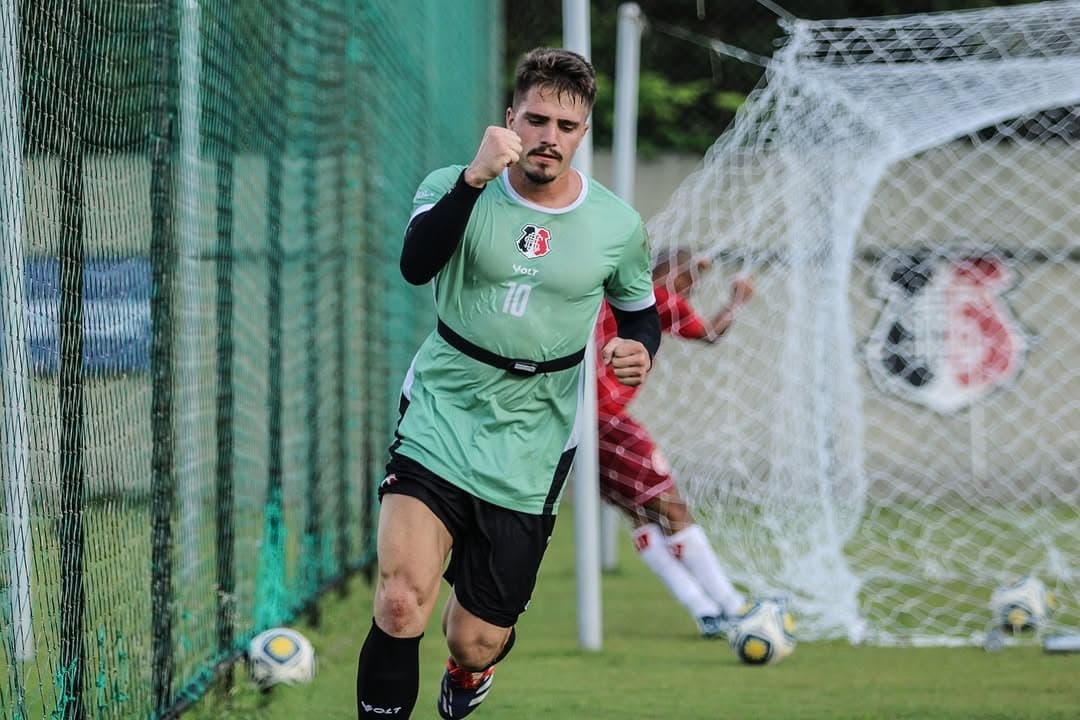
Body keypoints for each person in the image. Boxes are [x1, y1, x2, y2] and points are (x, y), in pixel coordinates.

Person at [355, 48, 661, 719]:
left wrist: (636, 348)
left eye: (568, 126)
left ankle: (466, 677)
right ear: (510, 118)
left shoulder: (617, 225)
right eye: (538, 118)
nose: (550, 136)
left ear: (584, 133)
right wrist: (470, 181)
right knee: (402, 599)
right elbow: (415, 265)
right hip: (444, 410)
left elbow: (640, 313)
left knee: (475, 639)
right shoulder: (452, 184)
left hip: (535, 435)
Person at [595, 248, 754, 638]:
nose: (691, 292)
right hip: (607, 418)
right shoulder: (659, 298)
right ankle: (735, 607)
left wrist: (688, 268)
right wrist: (738, 300)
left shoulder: (615, 294)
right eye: (690, 283)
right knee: (673, 508)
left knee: (643, 517)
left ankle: (704, 611)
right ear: (673, 275)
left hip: (576, 424)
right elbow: (711, 333)